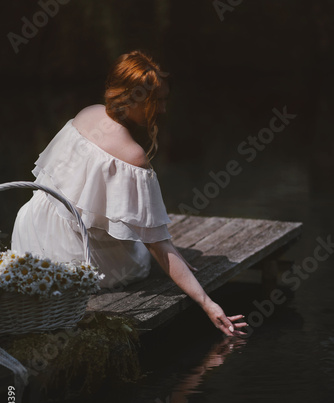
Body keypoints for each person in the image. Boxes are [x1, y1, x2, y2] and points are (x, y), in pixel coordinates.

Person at [11, 49, 247, 337]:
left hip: (29, 230)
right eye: (155, 101)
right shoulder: (133, 156)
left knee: (141, 241)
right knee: (140, 256)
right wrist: (207, 302)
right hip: (68, 258)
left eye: (163, 100)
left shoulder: (87, 113)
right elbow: (158, 246)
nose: (161, 109)